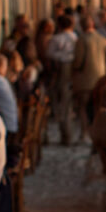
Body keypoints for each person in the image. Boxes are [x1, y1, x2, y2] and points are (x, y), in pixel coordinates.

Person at [72, 14, 106, 142]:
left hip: (85, 79)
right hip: (100, 77)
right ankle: (96, 133)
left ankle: (85, 134)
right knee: (96, 108)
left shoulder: (82, 39)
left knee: (83, 108)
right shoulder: (102, 39)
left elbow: (78, 61)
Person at [46, 14, 78, 145]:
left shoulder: (58, 39)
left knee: (63, 104)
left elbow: (49, 53)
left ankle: (66, 135)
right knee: (66, 104)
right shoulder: (75, 37)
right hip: (69, 72)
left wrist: (61, 57)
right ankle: (67, 134)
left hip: (63, 72)